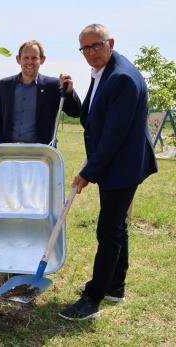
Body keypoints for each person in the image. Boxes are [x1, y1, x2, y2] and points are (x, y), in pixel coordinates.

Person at [59, 24, 158, 320]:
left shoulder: (123, 78)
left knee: (108, 230)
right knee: (116, 227)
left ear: (110, 42)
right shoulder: (104, 70)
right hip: (115, 163)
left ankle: (92, 298)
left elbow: (113, 136)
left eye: (96, 46)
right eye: (85, 48)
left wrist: (87, 172)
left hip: (124, 165)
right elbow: (89, 115)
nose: (90, 53)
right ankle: (115, 286)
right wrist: (70, 94)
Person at [0, 40, 81, 144]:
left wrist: (69, 92)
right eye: (26, 58)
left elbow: (75, 112)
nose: (30, 62)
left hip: (42, 153)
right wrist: (1, 145)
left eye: (34, 58)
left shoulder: (53, 86)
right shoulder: (5, 84)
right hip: (10, 151)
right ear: (18, 59)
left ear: (42, 60)